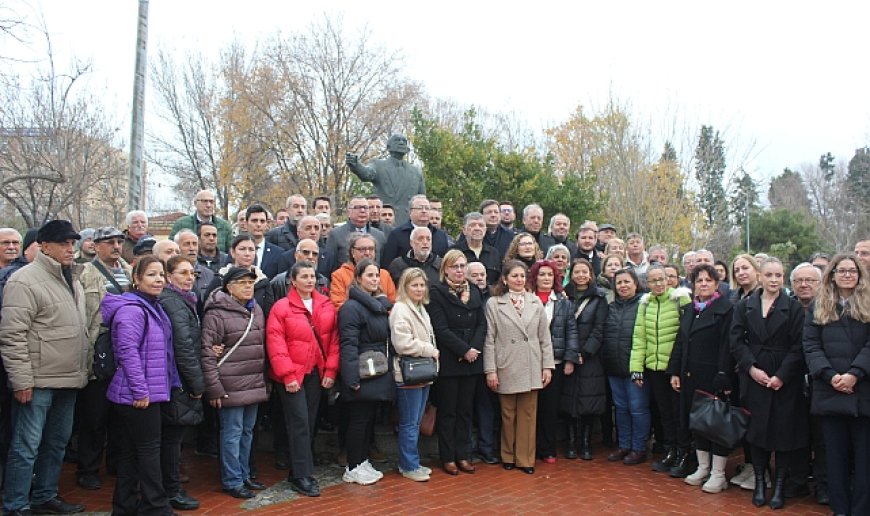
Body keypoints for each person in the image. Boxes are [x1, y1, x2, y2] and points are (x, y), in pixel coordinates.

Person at [0, 220, 89, 516]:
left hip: (69, 378)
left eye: (72, 243)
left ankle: (45, 496)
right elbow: (12, 335)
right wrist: (21, 380)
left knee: (56, 444)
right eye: (63, 243)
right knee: (26, 446)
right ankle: (16, 504)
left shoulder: (73, 278)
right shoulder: (24, 281)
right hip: (37, 381)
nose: (70, 248)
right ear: (44, 246)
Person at [102, 255, 179, 515]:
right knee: (147, 452)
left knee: (131, 453)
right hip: (137, 395)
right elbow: (127, 352)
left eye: (161, 275)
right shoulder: (132, 310)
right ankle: (155, 506)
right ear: (136, 279)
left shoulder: (153, 306)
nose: (159, 280)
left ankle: (124, 506)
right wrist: (140, 391)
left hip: (149, 392)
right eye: (151, 275)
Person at [730, 257, 808, 509]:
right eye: (770, 275)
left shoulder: (794, 308)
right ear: (760, 277)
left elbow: (799, 346)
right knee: (758, 431)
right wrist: (751, 368)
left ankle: (781, 485)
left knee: (784, 432)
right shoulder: (745, 306)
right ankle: (761, 482)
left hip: (785, 378)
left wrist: (781, 376)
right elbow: (736, 341)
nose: (774, 280)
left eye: (779, 275)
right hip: (755, 376)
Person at [803, 253, 870, 516]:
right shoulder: (820, 305)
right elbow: (810, 345)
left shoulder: (868, 303)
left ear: (860, 275)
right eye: (841, 271)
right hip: (829, 391)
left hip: (863, 391)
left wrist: (855, 373)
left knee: (864, 460)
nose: (847, 275)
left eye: (852, 271)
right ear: (832, 275)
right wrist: (830, 375)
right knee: (835, 459)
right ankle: (840, 509)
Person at [267, 261, 339, 496]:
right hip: (292, 374)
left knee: (309, 422)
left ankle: (298, 468)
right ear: (293, 280)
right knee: (299, 423)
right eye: (304, 276)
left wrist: (330, 371)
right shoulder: (282, 307)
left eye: (312, 276)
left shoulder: (326, 304)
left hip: (315, 373)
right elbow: (275, 343)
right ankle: (302, 475)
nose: (310, 280)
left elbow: (334, 341)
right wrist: (287, 374)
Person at [200, 267, 269, 500]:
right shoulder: (216, 313)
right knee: (232, 432)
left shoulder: (256, 309)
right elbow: (208, 353)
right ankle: (232, 480)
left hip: (253, 381)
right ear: (229, 287)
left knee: (248, 431)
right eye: (242, 282)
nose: (248, 286)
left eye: (251, 282)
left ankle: (245, 473)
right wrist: (214, 387)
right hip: (229, 383)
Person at [667, 263, 735, 494]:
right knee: (697, 423)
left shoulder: (726, 310)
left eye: (708, 280)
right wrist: (675, 371)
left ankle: (718, 474)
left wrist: (724, 375)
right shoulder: (689, 310)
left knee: (715, 426)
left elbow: (729, 345)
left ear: (717, 284)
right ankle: (703, 468)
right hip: (690, 376)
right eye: (699, 280)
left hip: (713, 376)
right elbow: (681, 342)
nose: (703, 284)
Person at [484, 260, 554, 474]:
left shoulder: (535, 303)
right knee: (508, 414)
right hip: (506, 363)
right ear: (505, 279)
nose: (519, 280)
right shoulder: (494, 304)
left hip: (532, 364)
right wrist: (491, 370)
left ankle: (526, 459)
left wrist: (547, 366)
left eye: (522, 276)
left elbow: (545, 338)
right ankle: (508, 455)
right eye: (514, 276)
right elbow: (489, 339)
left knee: (528, 414)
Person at [75, 227, 132, 491]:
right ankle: (87, 469)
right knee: (94, 415)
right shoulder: (84, 274)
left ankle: (116, 463)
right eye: (109, 242)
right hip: (96, 348)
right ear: (95, 246)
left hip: (125, 348)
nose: (116, 246)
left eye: (119, 241)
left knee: (121, 415)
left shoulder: (131, 272)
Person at [427, 250, 487, 475]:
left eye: (462, 266)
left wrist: (474, 349)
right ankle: (448, 457)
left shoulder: (475, 292)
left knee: (465, 412)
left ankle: (463, 455)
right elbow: (440, 329)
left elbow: (482, 324)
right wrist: (463, 350)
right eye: (455, 267)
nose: (460, 270)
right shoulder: (437, 293)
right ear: (446, 270)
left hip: (472, 361)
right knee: (448, 412)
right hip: (451, 361)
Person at [630, 264, 692, 475]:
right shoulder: (645, 304)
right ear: (646, 283)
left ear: (669, 279)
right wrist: (636, 368)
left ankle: (685, 454)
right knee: (665, 413)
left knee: (678, 413)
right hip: (654, 368)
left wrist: (679, 367)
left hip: (674, 368)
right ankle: (670, 450)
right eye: (652, 280)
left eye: (661, 279)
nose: (657, 284)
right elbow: (639, 337)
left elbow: (686, 336)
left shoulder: (680, 299)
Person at [337, 259, 394, 485]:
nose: (374, 279)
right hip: (362, 372)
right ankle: (352, 466)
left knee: (368, 419)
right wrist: (351, 378)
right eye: (369, 275)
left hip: (377, 372)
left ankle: (361, 461)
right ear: (358, 278)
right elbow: (348, 344)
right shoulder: (351, 308)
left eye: (376, 276)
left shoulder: (377, 304)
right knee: (358, 420)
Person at [158, 256, 206, 511]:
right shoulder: (173, 302)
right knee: (171, 439)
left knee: (171, 438)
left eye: (192, 273)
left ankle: (170, 487)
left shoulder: (184, 300)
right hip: (177, 381)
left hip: (176, 379)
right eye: (183, 273)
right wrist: (198, 384)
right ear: (169, 276)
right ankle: (171, 490)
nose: (189, 277)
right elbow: (184, 346)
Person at [390, 267, 440, 481]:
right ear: (405, 287)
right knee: (410, 422)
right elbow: (402, 343)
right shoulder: (401, 309)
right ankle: (408, 465)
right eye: (414, 285)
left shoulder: (420, 308)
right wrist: (429, 351)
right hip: (409, 372)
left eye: (422, 285)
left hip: (423, 372)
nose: (419, 289)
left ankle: (413, 462)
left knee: (416, 421)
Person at [527, 260, 577, 462]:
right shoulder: (526, 300)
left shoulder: (563, 303)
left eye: (550, 275)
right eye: (542, 274)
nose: (546, 278)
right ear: (535, 278)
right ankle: (528, 448)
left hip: (554, 362)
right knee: (529, 408)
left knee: (549, 408)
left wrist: (570, 359)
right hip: (529, 361)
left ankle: (547, 449)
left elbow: (571, 331)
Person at [562, 258, 608, 460]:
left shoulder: (599, 297)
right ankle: (571, 442)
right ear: (571, 274)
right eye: (576, 272)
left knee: (589, 403)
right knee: (569, 402)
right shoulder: (564, 296)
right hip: (568, 355)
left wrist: (586, 352)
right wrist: (571, 353)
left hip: (591, 357)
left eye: (584, 272)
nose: (580, 275)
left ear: (590, 274)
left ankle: (587, 443)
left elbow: (600, 329)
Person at [602, 267, 648, 465]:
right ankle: (624, 445)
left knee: (637, 408)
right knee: (620, 409)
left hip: (635, 368)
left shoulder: (643, 305)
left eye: (626, 281)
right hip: (614, 366)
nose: (623, 286)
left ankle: (638, 448)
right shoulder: (610, 307)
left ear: (635, 284)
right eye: (619, 282)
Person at [346, 134, 426, 225]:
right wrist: (356, 165)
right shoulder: (379, 165)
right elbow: (366, 173)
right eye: (397, 140)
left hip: (407, 224)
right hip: (384, 222)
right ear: (388, 147)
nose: (401, 142)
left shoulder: (416, 171)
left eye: (404, 141)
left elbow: (422, 199)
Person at [330, 233, 397, 310]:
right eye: (362, 249)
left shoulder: (384, 274)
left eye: (371, 249)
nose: (367, 253)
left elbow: (393, 304)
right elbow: (338, 305)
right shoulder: (339, 275)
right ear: (352, 252)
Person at [380, 195, 449, 267]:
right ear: (410, 212)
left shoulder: (440, 235)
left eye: (427, 208)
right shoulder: (397, 235)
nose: (424, 211)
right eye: (420, 208)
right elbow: (388, 264)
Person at [324, 196, 387, 274]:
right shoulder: (336, 234)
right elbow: (329, 266)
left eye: (366, 207)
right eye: (357, 207)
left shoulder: (379, 235)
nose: (362, 210)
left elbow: (383, 265)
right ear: (348, 212)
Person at [169, 190, 234, 252]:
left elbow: (231, 252)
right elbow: (171, 248)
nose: (208, 205)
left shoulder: (224, 226)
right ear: (195, 203)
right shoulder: (181, 224)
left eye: (211, 202)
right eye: (204, 201)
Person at [452, 211, 501, 287]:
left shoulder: (494, 253)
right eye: (472, 225)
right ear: (464, 230)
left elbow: (498, 281)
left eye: (481, 225)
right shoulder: (454, 252)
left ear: (485, 229)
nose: (477, 228)